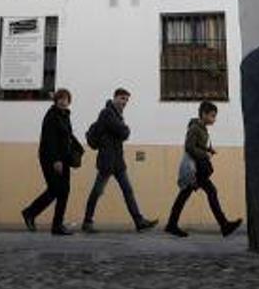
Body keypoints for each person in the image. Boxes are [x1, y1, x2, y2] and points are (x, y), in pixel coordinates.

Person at [81, 88, 158, 232]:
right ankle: (87, 222)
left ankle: (139, 221)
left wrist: (123, 130)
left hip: (118, 161)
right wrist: (125, 129)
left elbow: (121, 132)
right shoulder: (107, 113)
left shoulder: (117, 115)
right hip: (107, 161)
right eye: (122, 98)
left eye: (126, 100)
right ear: (115, 98)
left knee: (128, 190)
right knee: (97, 191)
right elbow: (123, 132)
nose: (125, 102)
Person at [165, 101, 243, 238]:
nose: (214, 119)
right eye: (212, 116)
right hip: (195, 170)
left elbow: (198, 145)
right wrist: (205, 154)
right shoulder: (195, 128)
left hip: (198, 169)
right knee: (204, 192)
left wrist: (208, 149)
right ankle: (224, 225)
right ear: (203, 114)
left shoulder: (202, 129)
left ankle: (172, 224)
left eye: (215, 116)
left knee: (186, 195)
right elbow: (189, 147)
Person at [21, 88, 81, 236]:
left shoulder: (65, 115)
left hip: (64, 158)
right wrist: (56, 160)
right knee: (55, 189)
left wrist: (76, 149)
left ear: (69, 101)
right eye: (60, 98)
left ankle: (56, 225)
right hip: (51, 159)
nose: (63, 101)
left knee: (64, 191)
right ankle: (30, 213)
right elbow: (50, 140)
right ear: (56, 100)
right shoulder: (52, 115)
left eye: (66, 99)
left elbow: (67, 136)